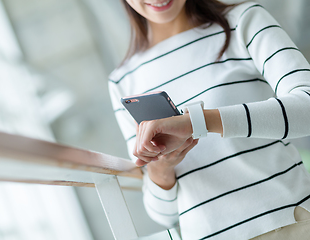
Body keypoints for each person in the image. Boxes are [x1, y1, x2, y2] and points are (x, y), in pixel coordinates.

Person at [108, 0, 310, 239]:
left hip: (285, 223)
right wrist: (161, 170)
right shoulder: (123, 81)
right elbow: (163, 215)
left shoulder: (243, 21)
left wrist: (198, 123)